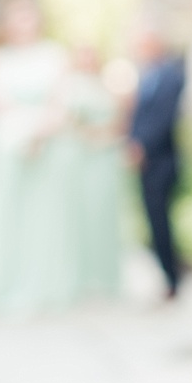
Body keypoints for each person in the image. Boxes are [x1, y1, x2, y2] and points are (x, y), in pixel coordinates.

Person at [0, 0, 73, 315]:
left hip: (46, 145)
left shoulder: (54, 56)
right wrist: (23, 130)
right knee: (10, 215)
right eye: (17, 17)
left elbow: (60, 102)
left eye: (29, 16)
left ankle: (47, 286)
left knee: (45, 217)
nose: (24, 23)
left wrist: (41, 132)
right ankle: (10, 285)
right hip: (7, 145)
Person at [57, 44, 126, 299]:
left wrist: (104, 135)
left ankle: (106, 276)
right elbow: (64, 121)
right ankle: (79, 276)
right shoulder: (69, 87)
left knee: (104, 216)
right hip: (78, 158)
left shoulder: (108, 86)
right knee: (78, 216)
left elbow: (120, 122)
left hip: (104, 158)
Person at [127, 26, 186, 299]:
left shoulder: (170, 76)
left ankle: (173, 279)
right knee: (152, 221)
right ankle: (170, 274)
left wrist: (141, 146)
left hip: (161, 161)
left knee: (161, 221)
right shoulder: (146, 76)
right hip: (146, 163)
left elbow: (163, 119)